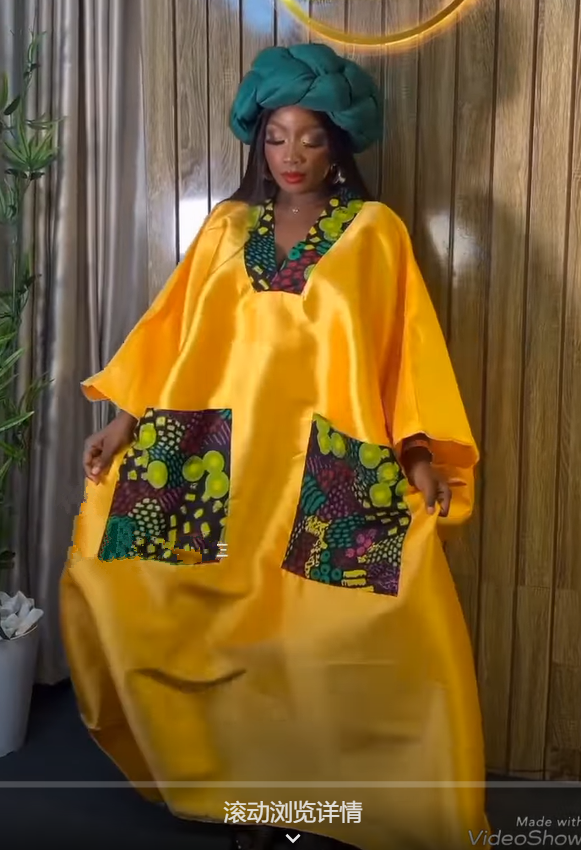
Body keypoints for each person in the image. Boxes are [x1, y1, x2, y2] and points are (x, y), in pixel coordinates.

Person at [61, 42, 488, 850]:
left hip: (326, 466)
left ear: (339, 146)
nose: (291, 155)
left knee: (322, 639)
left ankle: (315, 803)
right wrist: (123, 422)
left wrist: (417, 453)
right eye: (277, 137)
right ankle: (242, 799)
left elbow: (404, 351)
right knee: (198, 623)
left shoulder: (376, 233)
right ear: (258, 143)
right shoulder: (224, 229)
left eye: (311, 138)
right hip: (211, 460)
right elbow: (172, 333)